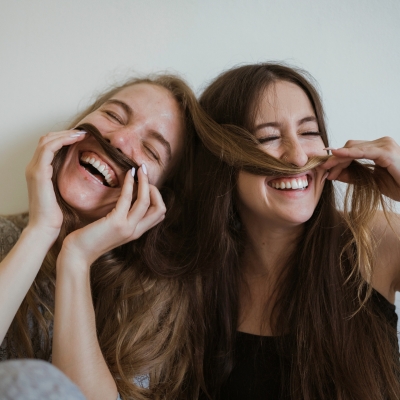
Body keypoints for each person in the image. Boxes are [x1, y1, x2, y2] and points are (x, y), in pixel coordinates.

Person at [184, 63, 400, 399]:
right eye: (269, 137)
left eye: (309, 132)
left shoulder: (374, 236)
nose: (298, 157)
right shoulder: (190, 279)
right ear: (222, 158)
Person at [0, 74, 210, 400]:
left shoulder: (153, 306)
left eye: (151, 150)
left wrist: (76, 258)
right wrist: (40, 231)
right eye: (113, 115)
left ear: (157, 200)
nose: (119, 140)